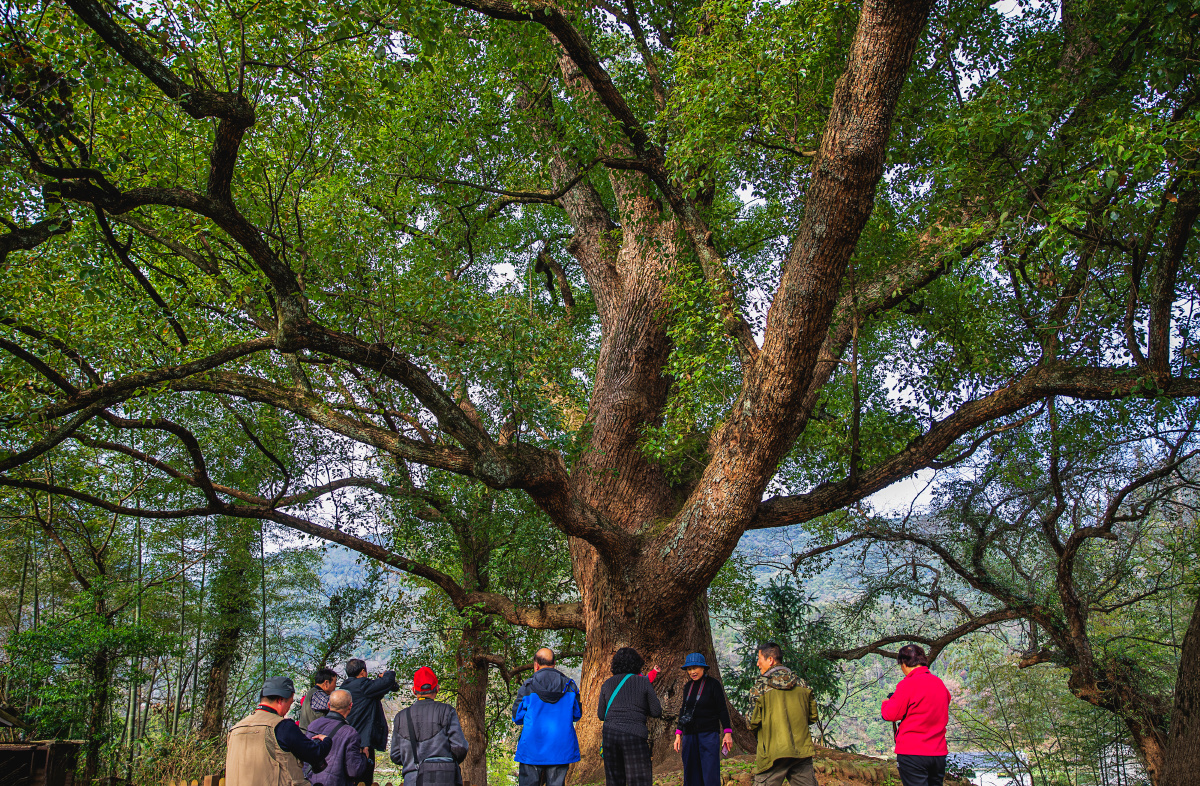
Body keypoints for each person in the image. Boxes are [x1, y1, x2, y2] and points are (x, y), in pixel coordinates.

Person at [226, 676, 332, 786]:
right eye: (290, 703)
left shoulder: (234, 729)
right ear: (280, 700)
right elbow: (315, 754)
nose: (288, 710)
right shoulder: (282, 726)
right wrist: (326, 740)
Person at [747, 642, 819, 786]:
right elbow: (813, 716)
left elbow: (751, 722)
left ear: (770, 660)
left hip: (772, 753)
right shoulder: (802, 684)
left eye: (759, 658)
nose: (757, 664)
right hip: (800, 750)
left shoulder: (760, 688)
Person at [881, 644, 951, 786]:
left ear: (904, 663)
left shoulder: (908, 684)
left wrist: (886, 703)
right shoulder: (939, 684)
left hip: (913, 752)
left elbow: (891, 714)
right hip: (938, 753)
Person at [512, 647, 583, 786]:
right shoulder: (570, 686)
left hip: (532, 748)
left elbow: (517, 717)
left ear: (536, 664)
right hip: (560, 748)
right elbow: (576, 715)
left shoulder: (528, 686)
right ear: (554, 663)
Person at [389, 667, 469, 786]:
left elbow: (395, 755)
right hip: (444, 779)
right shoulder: (447, 711)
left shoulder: (401, 717)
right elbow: (460, 747)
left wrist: (414, 761)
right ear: (437, 688)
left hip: (412, 780)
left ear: (414, 690)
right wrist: (443, 762)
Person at [597, 647, 662, 786]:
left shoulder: (607, 684)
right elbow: (656, 711)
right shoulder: (643, 682)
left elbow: (601, 715)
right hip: (635, 735)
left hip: (610, 737)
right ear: (637, 663)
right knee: (639, 781)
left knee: (614, 781)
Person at [672, 653, 734, 786]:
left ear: (703, 668)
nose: (692, 672)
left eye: (695, 668)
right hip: (689, 735)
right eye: (689, 669)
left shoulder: (713, 684)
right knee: (691, 771)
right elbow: (684, 710)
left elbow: (722, 708)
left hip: (708, 734)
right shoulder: (687, 687)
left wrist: (728, 732)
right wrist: (678, 734)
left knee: (710, 771)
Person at [341, 658, 399, 786]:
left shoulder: (345, 687)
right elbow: (387, 681)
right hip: (362, 743)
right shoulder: (363, 685)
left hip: (346, 739)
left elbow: (378, 691)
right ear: (362, 672)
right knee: (364, 778)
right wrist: (388, 674)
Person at [305, 689, 371, 786]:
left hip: (310, 781)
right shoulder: (351, 734)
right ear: (350, 706)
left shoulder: (313, 725)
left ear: (328, 705)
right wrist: (364, 757)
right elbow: (353, 771)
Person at [299, 667, 339, 732]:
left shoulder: (313, 692)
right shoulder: (317, 694)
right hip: (311, 738)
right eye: (334, 683)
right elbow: (336, 704)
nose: (335, 686)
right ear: (326, 683)